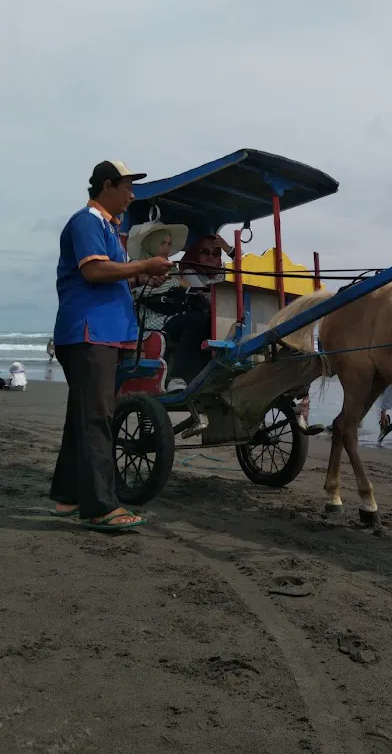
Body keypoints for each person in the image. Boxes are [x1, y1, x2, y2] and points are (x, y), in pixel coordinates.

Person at [50, 160, 172, 532]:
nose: (132, 195)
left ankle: (68, 495)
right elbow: (93, 271)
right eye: (127, 187)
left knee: (83, 415)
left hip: (100, 332)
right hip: (90, 333)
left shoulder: (106, 228)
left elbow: (110, 279)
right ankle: (102, 506)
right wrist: (141, 266)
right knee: (97, 416)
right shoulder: (87, 221)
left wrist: (139, 278)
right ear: (107, 186)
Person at [162, 234, 234, 390]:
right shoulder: (189, 271)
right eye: (205, 251)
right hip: (177, 316)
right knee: (202, 322)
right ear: (196, 253)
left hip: (211, 317)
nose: (210, 257)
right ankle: (178, 377)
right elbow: (206, 295)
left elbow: (246, 271)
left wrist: (229, 249)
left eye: (215, 253)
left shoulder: (223, 273)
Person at [126, 220, 189, 332]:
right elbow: (143, 291)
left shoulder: (171, 267)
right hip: (149, 320)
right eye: (162, 243)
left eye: (169, 244)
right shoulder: (137, 265)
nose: (166, 248)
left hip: (172, 313)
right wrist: (177, 282)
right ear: (151, 243)